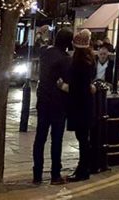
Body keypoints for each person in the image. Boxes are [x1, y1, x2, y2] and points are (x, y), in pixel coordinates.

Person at [33, 28, 73, 185]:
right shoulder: (65, 60)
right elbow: (68, 82)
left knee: (40, 138)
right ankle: (55, 174)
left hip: (43, 101)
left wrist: (39, 34)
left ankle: (37, 174)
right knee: (56, 139)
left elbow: (40, 45)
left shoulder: (45, 52)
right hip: (58, 103)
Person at [59, 29, 96, 182]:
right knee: (84, 138)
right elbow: (87, 84)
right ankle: (84, 168)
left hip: (78, 105)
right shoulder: (90, 60)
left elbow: (76, 86)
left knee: (82, 139)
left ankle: (83, 170)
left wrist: (63, 86)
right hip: (86, 104)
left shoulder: (78, 62)